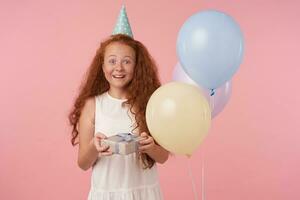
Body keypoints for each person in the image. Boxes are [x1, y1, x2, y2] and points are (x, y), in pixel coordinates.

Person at [68, 33, 169, 200]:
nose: (119, 68)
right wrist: (95, 145)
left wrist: (150, 147)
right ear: (102, 66)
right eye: (112, 61)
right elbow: (83, 164)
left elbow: (163, 157)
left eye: (127, 61)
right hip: (107, 193)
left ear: (137, 66)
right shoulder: (93, 105)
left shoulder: (149, 104)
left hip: (144, 193)